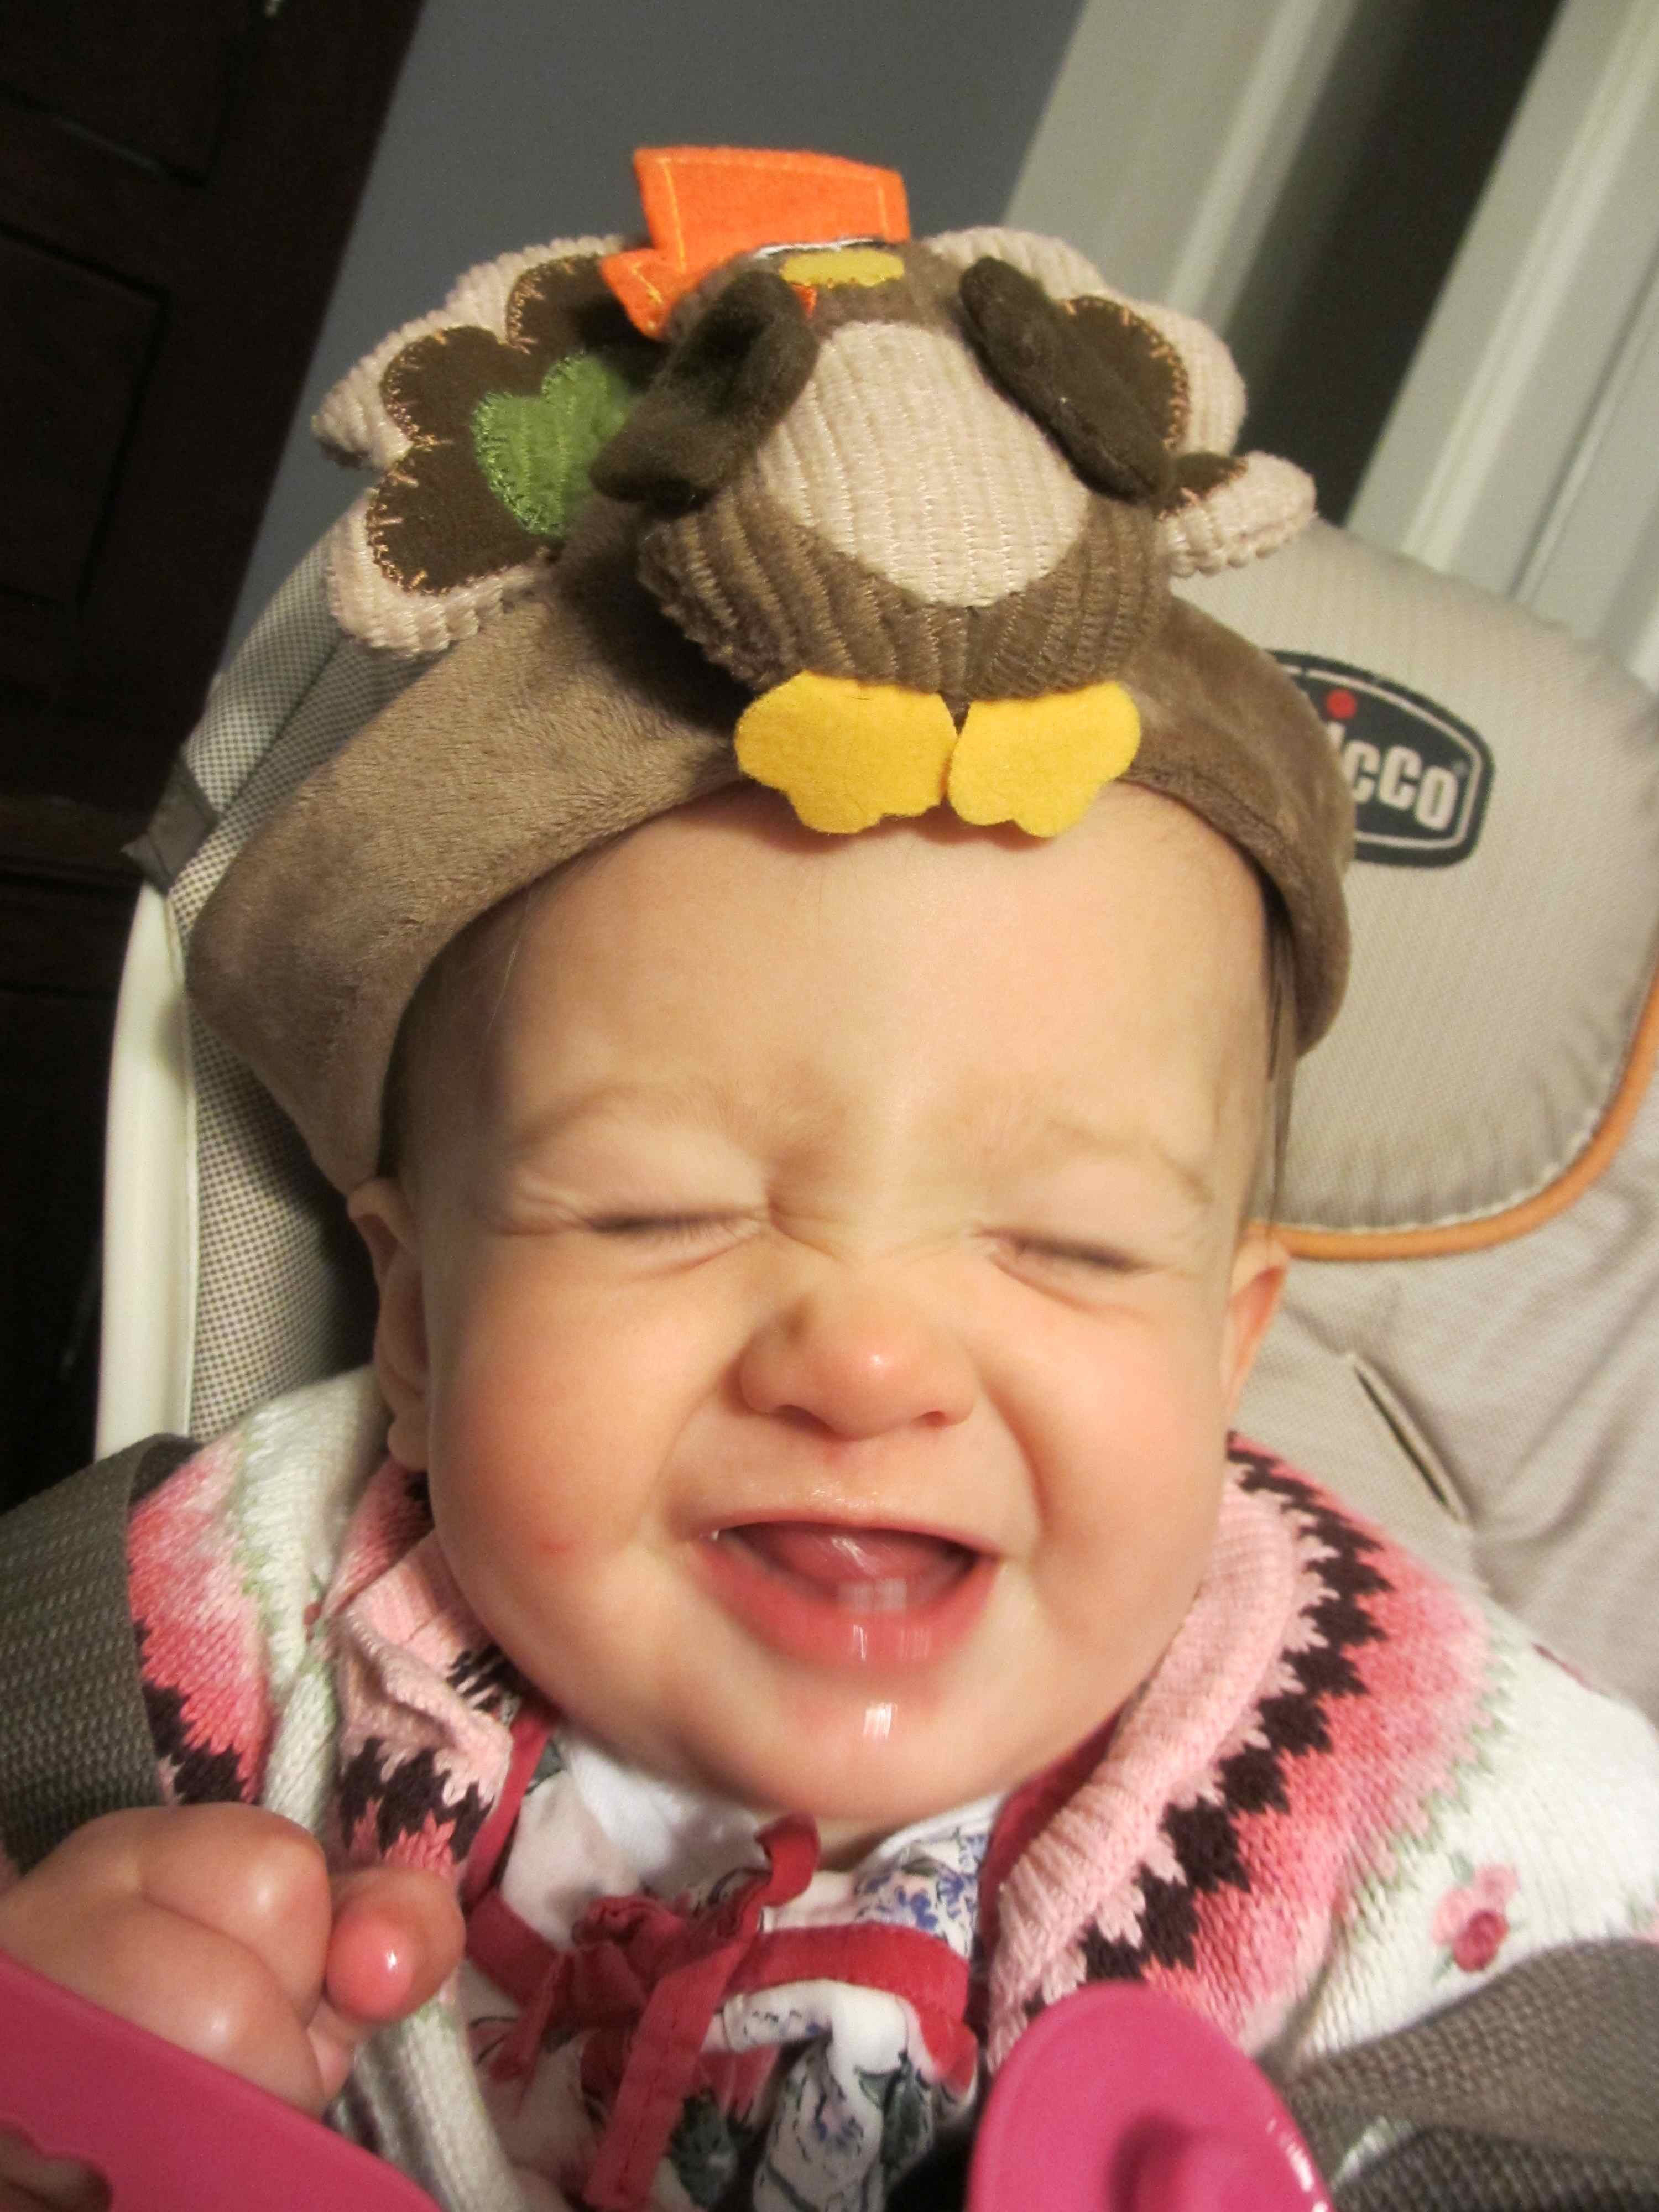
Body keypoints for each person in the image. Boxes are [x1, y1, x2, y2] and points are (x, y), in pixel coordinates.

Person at [2, 149, 1657, 2212]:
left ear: (1225, 1348)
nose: (866, 1361)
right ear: (414, 1320)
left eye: (1067, 1243)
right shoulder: (220, 1620)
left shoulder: (1426, 1815)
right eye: (662, 1213)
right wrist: (65, 2032)